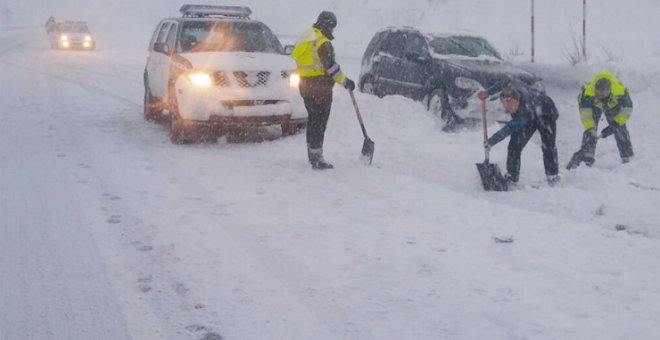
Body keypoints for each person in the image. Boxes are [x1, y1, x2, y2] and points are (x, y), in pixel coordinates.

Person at [291, 11, 355, 170]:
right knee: (319, 122)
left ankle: (312, 154)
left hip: (305, 85)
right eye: (332, 27)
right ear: (327, 24)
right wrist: (346, 82)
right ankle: (317, 158)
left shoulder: (306, 36)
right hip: (319, 88)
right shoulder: (323, 42)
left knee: (313, 120)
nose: (332, 31)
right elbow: (332, 69)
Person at [478, 83, 560, 186]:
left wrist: (492, 141)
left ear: (517, 101)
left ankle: (552, 176)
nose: (509, 109)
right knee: (514, 146)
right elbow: (503, 81)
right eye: (506, 107)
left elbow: (510, 128)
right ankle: (512, 177)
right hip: (530, 112)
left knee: (548, 146)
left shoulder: (524, 111)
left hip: (546, 112)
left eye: (512, 106)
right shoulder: (509, 87)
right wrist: (487, 92)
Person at [566, 72, 633, 169]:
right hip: (594, 105)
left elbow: (627, 109)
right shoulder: (586, 95)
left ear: (609, 90)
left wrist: (615, 124)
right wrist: (590, 129)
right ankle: (587, 157)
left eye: (604, 92)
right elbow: (586, 116)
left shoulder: (620, 92)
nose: (601, 95)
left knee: (620, 128)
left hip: (613, 105)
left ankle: (627, 157)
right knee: (590, 132)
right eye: (598, 92)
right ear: (595, 90)